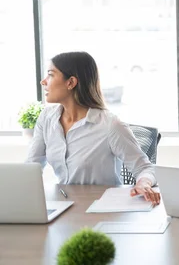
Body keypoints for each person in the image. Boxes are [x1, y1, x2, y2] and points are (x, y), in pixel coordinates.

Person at [26, 51, 160, 204]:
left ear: (70, 82)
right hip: (63, 205)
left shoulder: (110, 125)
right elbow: (31, 168)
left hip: (101, 208)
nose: (43, 81)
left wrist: (143, 183)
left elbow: (145, 168)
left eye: (50, 75)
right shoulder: (47, 118)